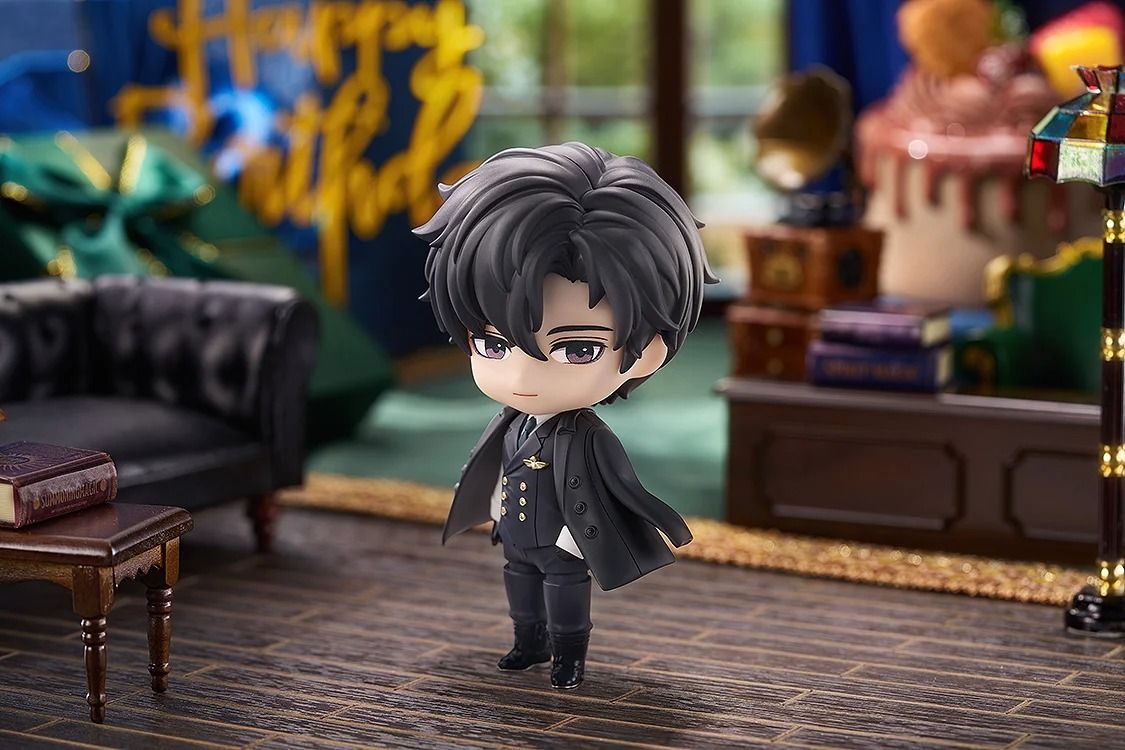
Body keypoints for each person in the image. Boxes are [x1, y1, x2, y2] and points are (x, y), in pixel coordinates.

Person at [414, 142, 718, 689]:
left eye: (578, 349)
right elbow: (497, 468)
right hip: (516, 535)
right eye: (492, 344)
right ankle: (526, 641)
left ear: (646, 352)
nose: (523, 376)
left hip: (563, 541)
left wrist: (600, 534)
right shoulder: (510, 423)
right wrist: (496, 509)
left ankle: (568, 656)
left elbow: (619, 488)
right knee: (520, 588)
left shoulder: (587, 437)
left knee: (564, 597)